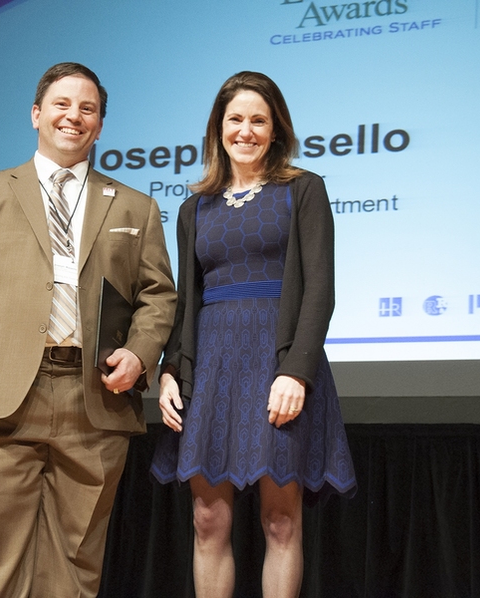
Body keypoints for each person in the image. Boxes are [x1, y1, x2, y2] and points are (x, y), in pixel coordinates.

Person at [0, 62, 176, 598]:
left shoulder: (138, 206)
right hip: (1, 392)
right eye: (62, 104)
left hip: (95, 399)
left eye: (88, 109)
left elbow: (158, 295)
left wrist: (139, 352)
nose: (73, 116)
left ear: (100, 125)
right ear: (36, 114)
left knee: (75, 569)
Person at [151, 71, 357, 598]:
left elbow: (320, 289)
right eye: (236, 119)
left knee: (280, 521)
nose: (246, 131)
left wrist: (296, 372)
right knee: (207, 519)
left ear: (276, 129)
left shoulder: (303, 189)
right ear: (217, 129)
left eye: (258, 120)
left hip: (276, 367)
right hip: (212, 368)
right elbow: (186, 300)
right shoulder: (194, 208)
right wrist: (170, 370)